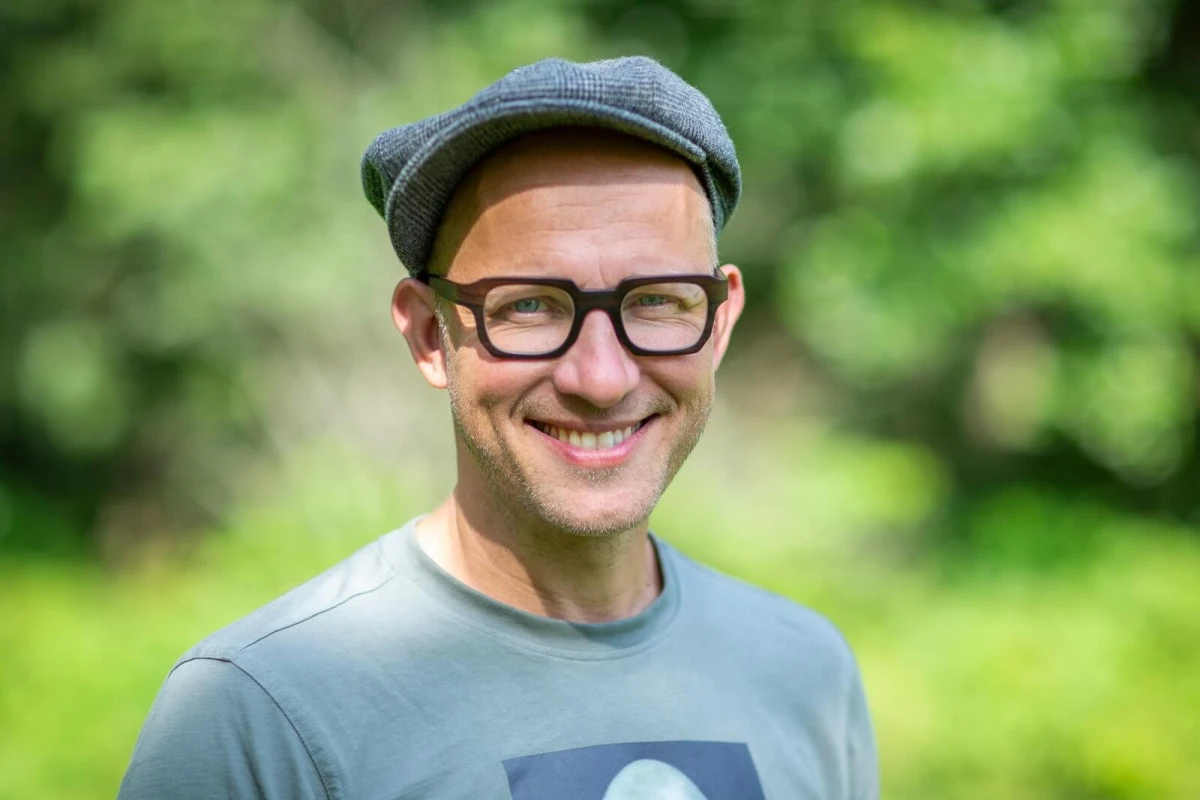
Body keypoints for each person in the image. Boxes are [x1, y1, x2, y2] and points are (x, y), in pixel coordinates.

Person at [118, 56, 879, 800]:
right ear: (429, 334)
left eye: (656, 300)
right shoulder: (261, 714)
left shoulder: (807, 674)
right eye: (530, 306)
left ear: (718, 321)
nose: (601, 378)